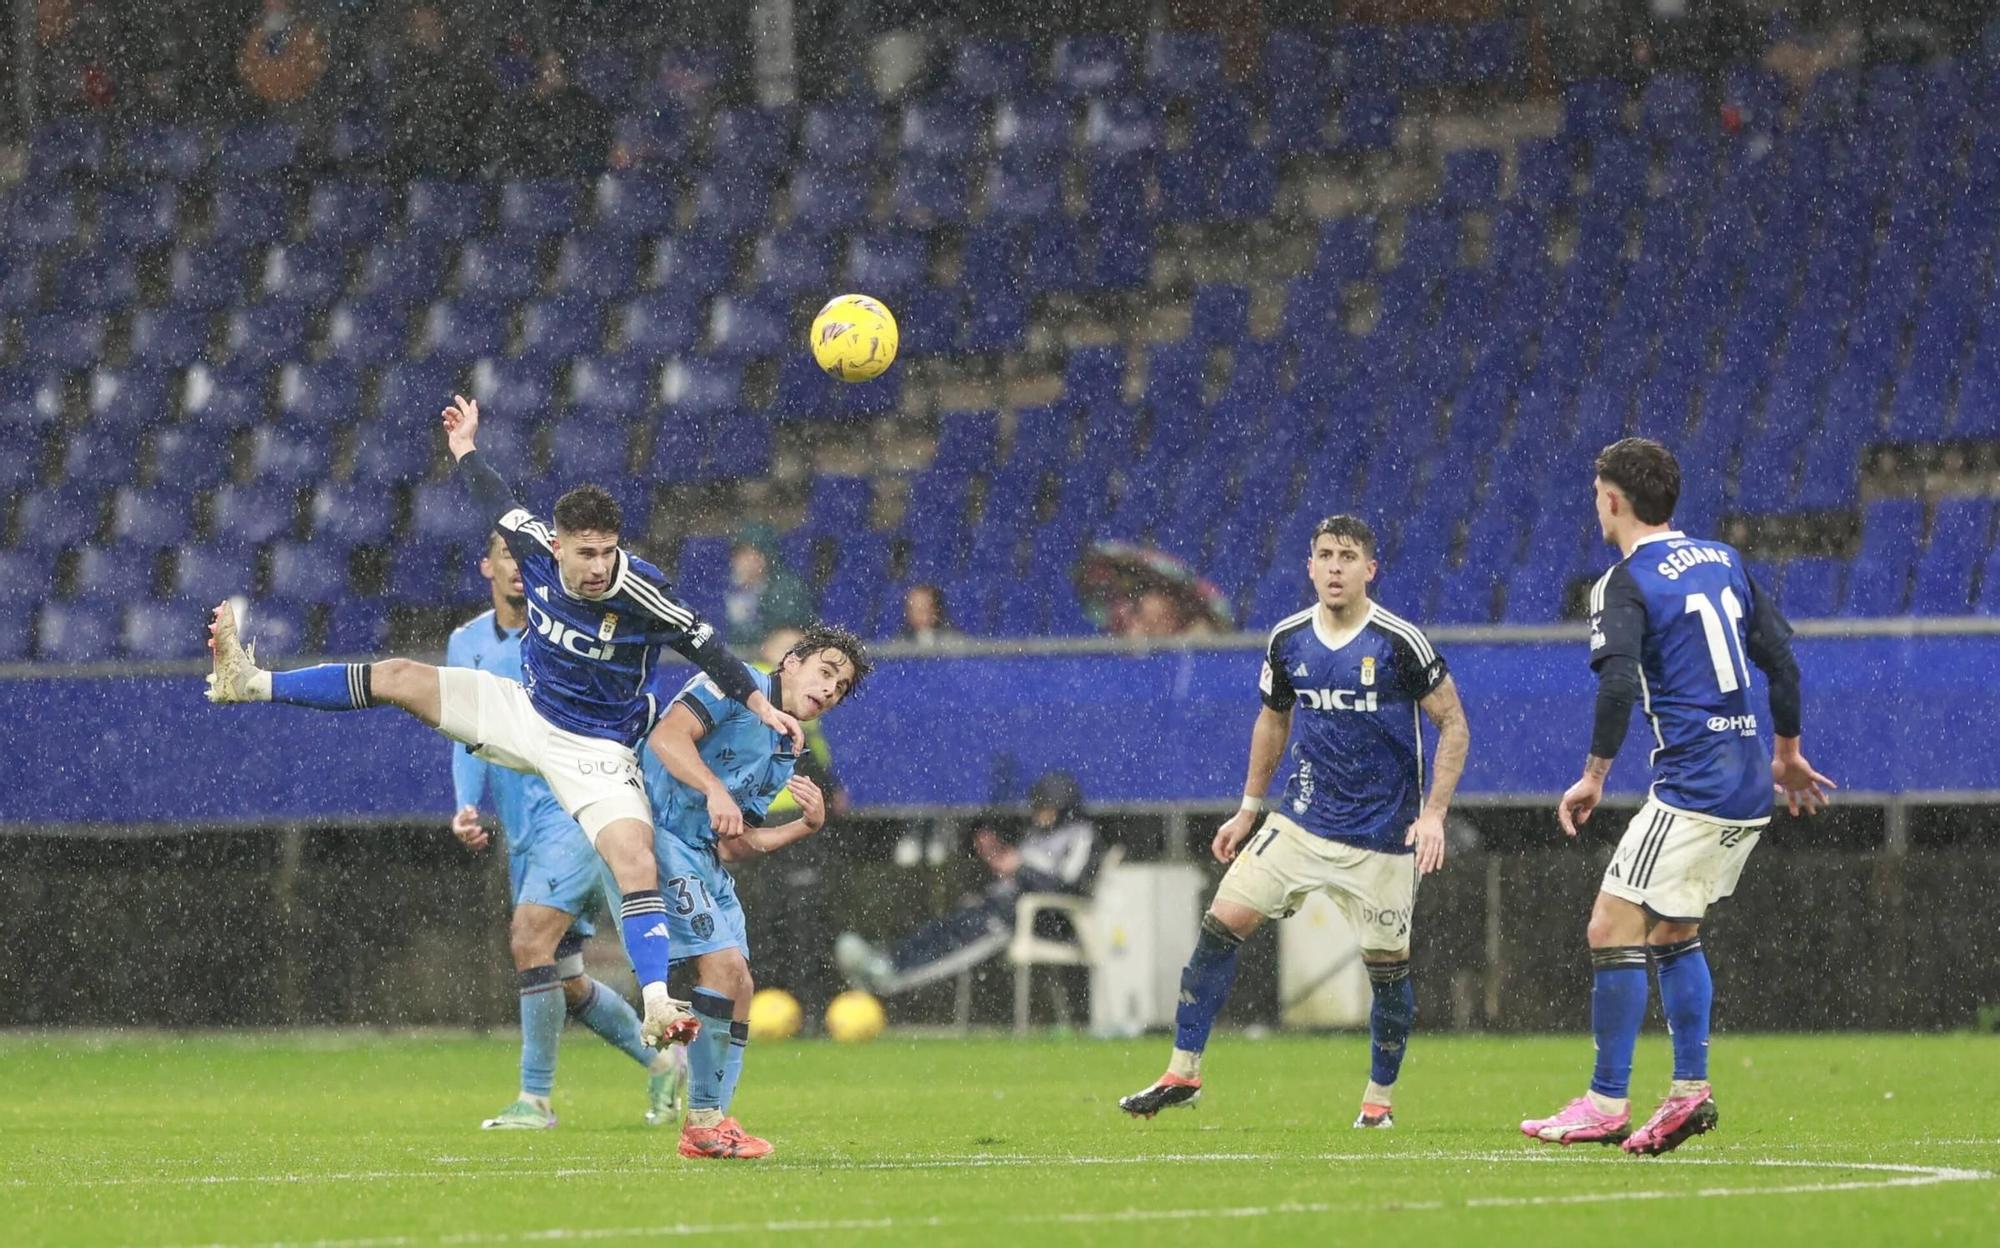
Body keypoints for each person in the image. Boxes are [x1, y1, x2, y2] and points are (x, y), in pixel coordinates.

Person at [205, 395, 804, 1051]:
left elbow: (708, 647)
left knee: (634, 858)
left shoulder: (641, 590)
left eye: (608, 551)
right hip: (525, 711)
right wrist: (464, 446)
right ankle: (250, 682)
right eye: (587, 553)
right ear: (559, 545)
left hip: (597, 749)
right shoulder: (533, 546)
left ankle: (660, 1004)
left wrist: (759, 703)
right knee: (401, 675)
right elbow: (494, 496)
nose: (599, 565)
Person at [1523, 438, 1834, 1155]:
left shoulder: (1624, 582)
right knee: (1672, 931)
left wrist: (1595, 774)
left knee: (1609, 926)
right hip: (1748, 774)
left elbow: (1617, 682)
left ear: (1612, 499)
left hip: (1694, 782)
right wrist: (1786, 754)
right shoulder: (1724, 559)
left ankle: (1605, 1101)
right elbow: (1782, 662)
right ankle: (1689, 1093)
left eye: (1597, 492)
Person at [1118, 514, 1470, 1130]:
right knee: (1223, 920)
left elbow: (1454, 723)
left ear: (1369, 569)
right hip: (1302, 822)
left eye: (1348, 556)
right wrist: (1249, 808)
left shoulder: (1398, 641)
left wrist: (1434, 815)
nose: (1335, 567)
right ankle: (1183, 1070)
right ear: (1309, 567)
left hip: (1383, 838)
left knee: (1388, 971)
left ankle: (1377, 1105)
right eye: (1326, 555)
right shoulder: (1288, 640)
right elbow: (1273, 721)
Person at [444, 529, 688, 1131]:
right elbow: (464, 728)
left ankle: (535, 1099)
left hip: (575, 809)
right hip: (521, 823)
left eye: (527, 558)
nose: (519, 569)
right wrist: (464, 804)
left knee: (530, 939)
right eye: (507, 557)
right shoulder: (466, 641)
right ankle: (662, 1062)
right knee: (566, 977)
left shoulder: (569, 627)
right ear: (488, 567)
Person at [638, 623, 872, 1158]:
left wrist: (804, 827)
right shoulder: (731, 679)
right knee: (721, 970)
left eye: (840, 689)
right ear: (791, 662)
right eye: (826, 672)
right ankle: (701, 1121)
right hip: (660, 832)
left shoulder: (787, 745)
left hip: (702, 853)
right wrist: (714, 788)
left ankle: (714, 1119)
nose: (830, 690)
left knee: (741, 982)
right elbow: (665, 738)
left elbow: (736, 843)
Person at [834, 771, 1099, 995]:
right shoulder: (1036, 835)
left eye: (1046, 808)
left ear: (1062, 807)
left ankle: (894, 974)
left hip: (1038, 918)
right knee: (949, 922)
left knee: (966, 933)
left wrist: (1019, 869)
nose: (1039, 814)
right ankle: (889, 957)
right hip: (1003, 906)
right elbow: (1016, 872)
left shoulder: (1081, 836)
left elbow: (1071, 887)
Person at [722, 525, 813, 651]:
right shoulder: (733, 588)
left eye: (748, 554)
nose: (739, 561)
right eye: (738, 554)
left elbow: (790, 636)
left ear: (764, 557)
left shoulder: (786, 588)